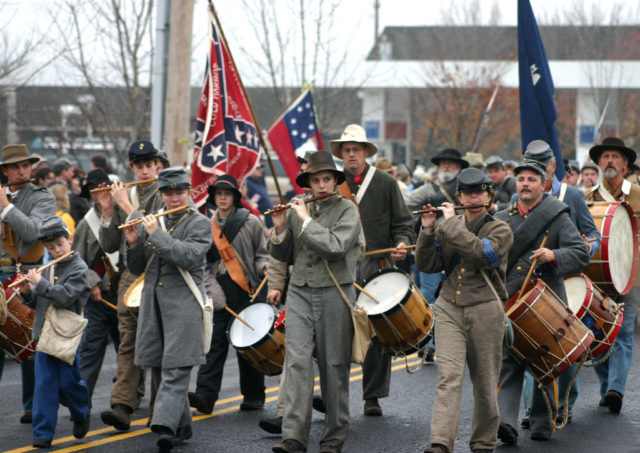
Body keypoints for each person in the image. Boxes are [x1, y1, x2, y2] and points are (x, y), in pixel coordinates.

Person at [269, 150, 362, 453]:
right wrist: (281, 228)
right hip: (300, 291)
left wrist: (305, 221)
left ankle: (333, 438)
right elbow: (282, 255)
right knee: (296, 363)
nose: (321, 185)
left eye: (326, 179)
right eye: (315, 180)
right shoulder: (299, 210)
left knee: (333, 366)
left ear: (335, 181)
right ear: (307, 182)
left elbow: (335, 247)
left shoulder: (347, 210)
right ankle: (293, 436)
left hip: (335, 292)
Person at [416, 168, 513, 453]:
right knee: (448, 377)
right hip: (449, 308)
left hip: (485, 308)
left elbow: (482, 255)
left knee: (484, 382)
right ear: (458, 196)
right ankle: (440, 441)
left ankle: (483, 441)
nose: (472, 197)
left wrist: (447, 226)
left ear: (488, 196)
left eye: (479, 192)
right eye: (467, 193)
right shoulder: (450, 224)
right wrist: (427, 229)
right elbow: (427, 264)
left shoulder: (500, 229)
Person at [495, 159, 589, 444]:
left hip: (546, 299)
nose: (525, 184)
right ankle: (506, 423)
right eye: (521, 179)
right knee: (509, 363)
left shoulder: (558, 216)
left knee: (544, 363)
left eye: (531, 179)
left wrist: (555, 256)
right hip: (511, 299)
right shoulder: (502, 218)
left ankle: (541, 421)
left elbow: (581, 254)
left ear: (543, 184)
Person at [122, 167, 211, 453]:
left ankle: (163, 425)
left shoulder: (200, 223)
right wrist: (134, 243)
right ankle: (181, 427)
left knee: (176, 367)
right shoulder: (155, 221)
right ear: (161, 194)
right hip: (154, 305)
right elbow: (137, 268)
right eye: (168, 193)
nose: (174, 198)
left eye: (179, 192)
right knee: (160, 366)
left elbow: (186, 257)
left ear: (188, 192)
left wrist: (153, 234)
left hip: (184, 305)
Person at [331, 124, 414, 416]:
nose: (351, 155)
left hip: (376, 263)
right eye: (346, 150)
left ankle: (372, 397)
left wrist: (402, 244)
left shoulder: (386, 183)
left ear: (366, 152)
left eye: (356, 149)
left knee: (377, 333)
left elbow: (403, 224)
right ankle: (333, 396)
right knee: (336, 333)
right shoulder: (330, 183)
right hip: (339, 265)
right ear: (340, 154)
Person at [517, 140, 601, 424]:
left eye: (541, 166)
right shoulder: (518, 195)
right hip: (530, 285)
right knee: (532, 347)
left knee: (566, 348)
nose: (534, 173)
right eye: (530, 166)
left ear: (553, 167)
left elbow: (593, 235)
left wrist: (576, 253)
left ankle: (564, 403)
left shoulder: (572, 195)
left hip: (566, 280)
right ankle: (533, 409)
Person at [95, 140, 164, 431]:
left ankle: (160, 410)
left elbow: (154, 239)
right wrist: (109, 210)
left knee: (159, 343)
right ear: (132, 167)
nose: (145, 170)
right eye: (139, 166)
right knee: (128, 343)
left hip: (159, 276)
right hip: (129, 276)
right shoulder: (128, 192)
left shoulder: (166, 194)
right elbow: (110, 244)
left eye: (149, 165)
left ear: (157, 166)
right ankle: (122, 405)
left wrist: (125, 205)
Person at [188, 174, 269, 414]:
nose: (222, 198)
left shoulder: (252, 222)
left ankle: (254, 395)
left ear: (235, 197)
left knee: (248, 346)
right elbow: (201, 265)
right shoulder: (205, 225)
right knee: (214, 346)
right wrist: (213, 293)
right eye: (218, 194)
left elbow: (261, 254)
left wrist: (264, 267)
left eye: (227, 193)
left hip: (246, 290)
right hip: (217, 290)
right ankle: (205, 395)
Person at [19, 216, 91, 448]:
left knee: (69, 383)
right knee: (44, 385)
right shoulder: (45, 268)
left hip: (67, 335)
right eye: (50, 248)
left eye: (59, 244)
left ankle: (81, 412)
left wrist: (40, 284)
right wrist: (27, 292)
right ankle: (42, 433)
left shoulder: (79, 268)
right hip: (44, 334)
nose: (56, 250)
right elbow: (38, 303)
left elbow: (66, 296)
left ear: (70, 238)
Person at [0, 144, 56, 424]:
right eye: (16, 166)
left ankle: (33, 405)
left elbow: (33, 232)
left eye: (26, 165)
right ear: (5, 171)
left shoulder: (42, 196)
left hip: (26, 275)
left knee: (29, 340)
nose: (22, 170)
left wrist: (6, 206)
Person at [585, 137, 640, 414]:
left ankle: (616, 389)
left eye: (615, 157)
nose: (609, 161)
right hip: (596, 276)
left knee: (623, 332)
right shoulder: (586, 197)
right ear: (598, 163)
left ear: (625, 164)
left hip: (632, 276)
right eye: (605, 156)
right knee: (598, 334)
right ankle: (607, 386)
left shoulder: (639, 194)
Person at [74, 169, 120, 399]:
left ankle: (129, 394)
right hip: (98, 294)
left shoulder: (122, 214)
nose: (97, 193)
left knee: (126, 349)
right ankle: (82, 398)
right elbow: (78, 259)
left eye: (100, 188)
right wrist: (92, 283)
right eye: (92, 190)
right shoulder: (86, 223)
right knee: (91, 347)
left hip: (123, 291)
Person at [246, 163, 274, 228]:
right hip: (260, 224)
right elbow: (250, 205)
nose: (261, 170)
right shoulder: (248, 185)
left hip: (268, 223)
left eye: (261, 168)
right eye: (258, 168)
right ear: (250, 169)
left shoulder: (258, 182)